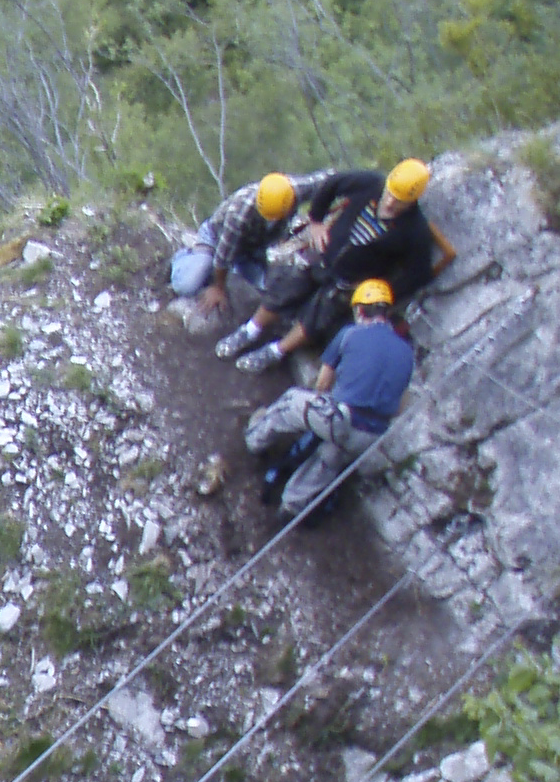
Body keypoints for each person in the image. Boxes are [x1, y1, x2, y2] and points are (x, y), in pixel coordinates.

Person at [214, 159, 455, 371]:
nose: (391, 202)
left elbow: (419, 273)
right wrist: (316, 220)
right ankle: (250, 331)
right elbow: (331, 184)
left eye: (400, 200)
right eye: (390, 193)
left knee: (318, 316)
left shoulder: (414, 229)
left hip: (349, 279)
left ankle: (276, 351)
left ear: (413, 200)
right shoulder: (369, 184)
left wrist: (381, 289)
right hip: (323, 253)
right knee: (287, 286)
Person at [242, 280, 418, 521]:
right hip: (370, 436)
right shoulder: (407, 353)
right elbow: (399, 406)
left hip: (340, 416)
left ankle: (254, 439)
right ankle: (292, 506)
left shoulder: (350, 334)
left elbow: (322, 384)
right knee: (329, 458)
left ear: (360, 310)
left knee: (292, 401)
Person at [183, 169, 336, 321]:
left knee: (273, 293)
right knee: (188, 284)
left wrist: (326, 214)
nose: (272, 220)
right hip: (217, 239)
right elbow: (223, 255)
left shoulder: (296, 189)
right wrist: (218, 287)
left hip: (253, 248)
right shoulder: (240, 214)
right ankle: (187, 254)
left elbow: (335, 178)